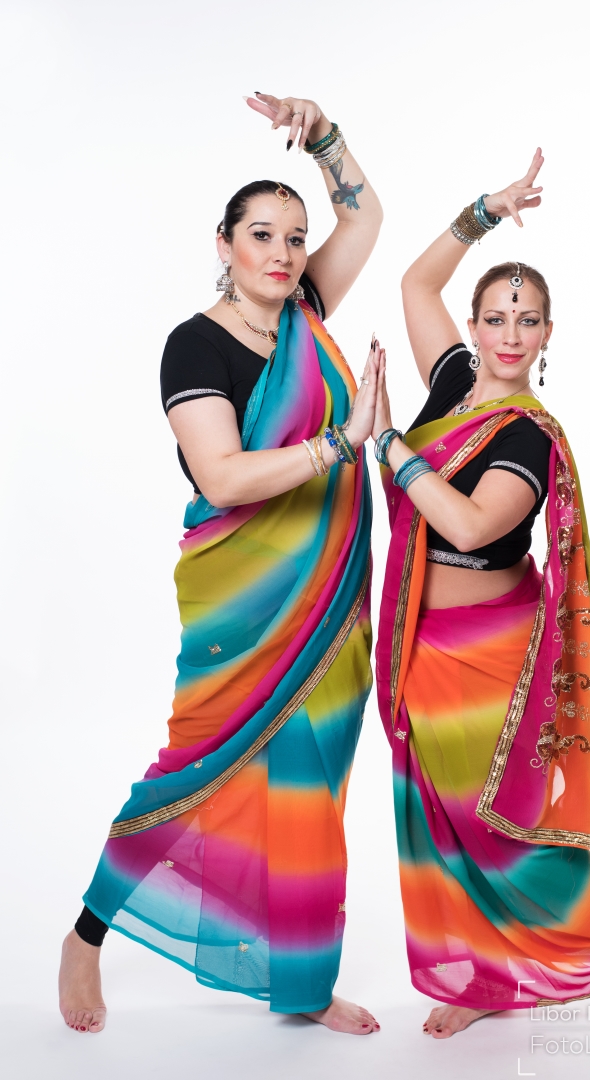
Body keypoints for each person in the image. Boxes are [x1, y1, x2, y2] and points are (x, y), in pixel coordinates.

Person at [58, 93, 383, 1036]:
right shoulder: (194, 344)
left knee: (311, 788)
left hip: (329, 602)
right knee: (189, 771)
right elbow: (225, 475)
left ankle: (303, 985)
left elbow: (365, 215)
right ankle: (86, 934)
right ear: (224, 244)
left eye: (295, 237)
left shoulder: (305, 312)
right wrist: (342, 441)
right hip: (244, 602)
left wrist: (324, 136)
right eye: (261, 236)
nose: (282, 253)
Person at [372, 149, 590, 1039]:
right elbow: (415, 282)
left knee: (506, 826)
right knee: (444, 822)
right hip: (420, 643)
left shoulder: (527, 437)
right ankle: (484, 977)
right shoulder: (453, 383)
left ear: (546, 335)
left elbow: (463, 525)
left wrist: (387, 445)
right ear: (474, 324)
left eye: (526, 321)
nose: (508, 334)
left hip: (494, 654)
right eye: (494, 317)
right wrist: (483, 212)